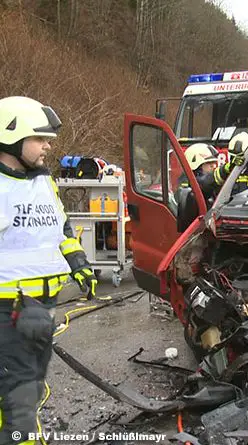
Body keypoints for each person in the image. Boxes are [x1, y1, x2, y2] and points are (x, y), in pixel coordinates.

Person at [0, 96, 97, 445]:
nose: (47, 147)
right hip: (7, 311)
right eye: (40, 139)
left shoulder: (44, 182)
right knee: (19, 401)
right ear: (11, 136)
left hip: (41, 308)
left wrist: (80, 266)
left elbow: (61, 232)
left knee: (31, 390)